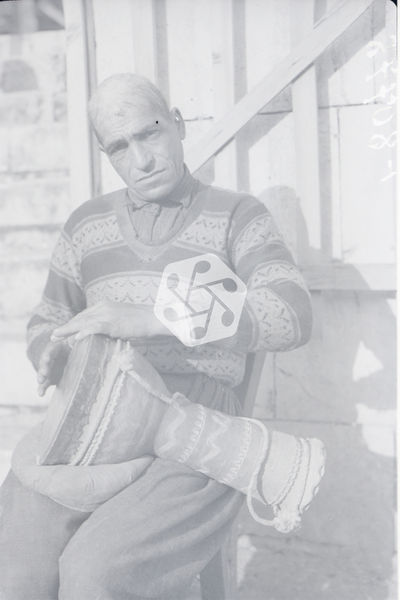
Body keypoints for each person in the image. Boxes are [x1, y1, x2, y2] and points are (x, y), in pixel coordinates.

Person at [0, 74, 319, 600]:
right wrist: (51, 352)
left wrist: (154, 319)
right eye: (119, 147)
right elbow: (48, 317)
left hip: (194, 433)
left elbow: (292, 315)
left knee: (95, 573)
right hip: (95, 419)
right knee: (14, 563)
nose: (141, 160)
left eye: (149, 134)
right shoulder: (86, 225)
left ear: (177, 124)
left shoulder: (237, 216)